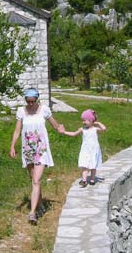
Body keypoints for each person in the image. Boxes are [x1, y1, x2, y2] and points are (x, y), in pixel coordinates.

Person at [9, 88, 66, 225]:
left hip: (41, 149)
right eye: (27, 101)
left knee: (36, 180)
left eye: (32, 101)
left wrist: (61, 129)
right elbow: (17, 131)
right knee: (33, 179)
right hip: (28, 149)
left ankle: (32, 213)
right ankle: (40, 206)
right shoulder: (21, 112)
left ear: (37, 100)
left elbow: (55, 125)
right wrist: (12, 146)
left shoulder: (44, 110)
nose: (30, 104)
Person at [63, 109, 106, 188]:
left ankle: (92, 179)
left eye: (85, 120)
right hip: (85, 150)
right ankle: (84, 180)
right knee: (84, 165)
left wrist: (98, 123)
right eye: (83, 120)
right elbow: (73, 134)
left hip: (94, 150)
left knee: (93, 165)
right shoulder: (82, 129)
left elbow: (104, 129)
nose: (83, 122)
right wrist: (64, 132)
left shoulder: (95, 129)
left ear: (91, 121)